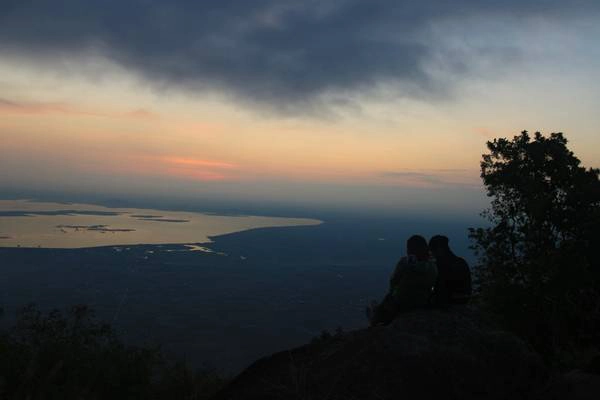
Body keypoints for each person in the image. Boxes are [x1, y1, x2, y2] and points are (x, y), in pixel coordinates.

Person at [367, 235, 438, 326]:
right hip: (422, 302)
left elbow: (394, 281)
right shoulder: (433, 266)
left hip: (401, 304)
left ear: (410, 250)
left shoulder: (405, 264)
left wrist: (393, 294)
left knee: (388, 300)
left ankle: (375, 318)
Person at [429, 235, 472, 305]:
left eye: (432, 251)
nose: (432, 254)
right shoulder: (461, 262)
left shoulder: (441, 265)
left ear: (440, 249)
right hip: (464, 301)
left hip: (448, 303)